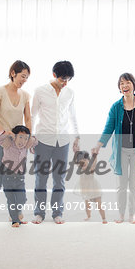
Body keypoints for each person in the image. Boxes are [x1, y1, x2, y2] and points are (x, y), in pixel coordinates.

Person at [92, 73, 135, 223]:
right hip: (122, 151)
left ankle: (132, 214)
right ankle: (121, 214)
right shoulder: (116, 107)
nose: (124, 86)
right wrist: (99, 145)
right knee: (121, 185)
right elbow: (109, 128)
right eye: (121, 84)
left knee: (134, 185)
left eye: (127, 82)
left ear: (133, 84)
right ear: (119, 88)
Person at [31, 61, 80, 224]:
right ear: (54, 75)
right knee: (41, 178)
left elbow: (72, 116)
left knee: (59, 179)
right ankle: (39, 212)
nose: (65, 83)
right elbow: (32, 116)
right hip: (43, 140)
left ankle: (57, 212)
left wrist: (77, 137)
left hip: (63, 141)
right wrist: (30, 137)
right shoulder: (40, 91)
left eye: (68, 79)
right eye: (62, 79)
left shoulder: (70, 93)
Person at [0, 60, 31, 228]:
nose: (24, 80)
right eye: (22, 76)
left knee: (18, 180)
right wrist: (5, 133)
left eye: (27, 77)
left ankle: (17, 213)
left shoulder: (25, 95)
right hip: (1, 142)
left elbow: (28, 118)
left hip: (17, 145)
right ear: (13, 73)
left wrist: (28, 138)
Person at [0, 125, 38, 227]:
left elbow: (35, 142)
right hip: (7, 177)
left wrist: (31, 138)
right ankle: (15, 220)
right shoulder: (9, 144)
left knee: (22, 198)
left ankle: (17, 213)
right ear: (15, 137)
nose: (23, 141)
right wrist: (8, 134)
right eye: (21, 137)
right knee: (11, 200)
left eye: (26, 138)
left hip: (19, 178)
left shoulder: (25, 147)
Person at [73, 151, 107, 224]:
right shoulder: (80, 170)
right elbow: (76, 161)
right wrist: (76, 152)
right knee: (87, 205)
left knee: (99, 205)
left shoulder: (90, 169)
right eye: (81, 162)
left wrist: (95, 155)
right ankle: (88, 216)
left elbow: (94, 164)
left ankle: (104, 218)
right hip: (86, 190)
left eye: (85, 160)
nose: (83, 163)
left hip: (95, 190)